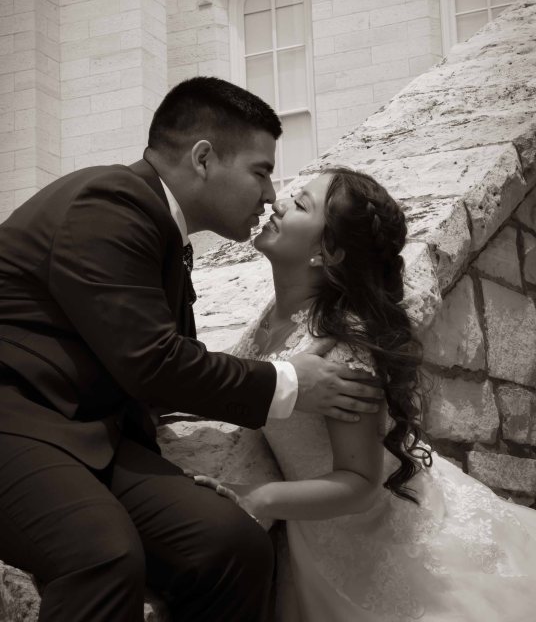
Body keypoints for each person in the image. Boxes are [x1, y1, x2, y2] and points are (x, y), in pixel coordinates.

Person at [0, 79, 383, 622]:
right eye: (260, 172)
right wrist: (291, 382)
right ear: (203, 159)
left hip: (87, 432)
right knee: (102, 555)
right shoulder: (109, 204)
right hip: (15, 417)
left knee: (231, 543)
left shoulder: (160, 227)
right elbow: (154, 362)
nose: (269, 195)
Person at [195, 167, 536, 622]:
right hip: (324, 540)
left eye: (300, 205)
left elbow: (360, 482)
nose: (278, 203)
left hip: (379, 543)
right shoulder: (278, 313)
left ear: (327, 252)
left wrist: (260, 498)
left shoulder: (344, 348)